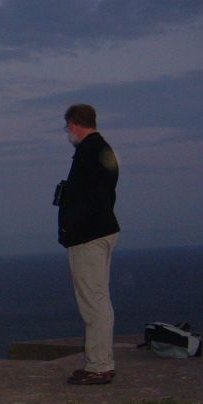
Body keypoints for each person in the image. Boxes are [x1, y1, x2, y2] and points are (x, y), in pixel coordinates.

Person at [57, 104, 120, 385]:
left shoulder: (88, 152)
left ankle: (99, 366)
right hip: (100, 231)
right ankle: (99, 361)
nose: (67, 132)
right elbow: (105, 194)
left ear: (73, 123)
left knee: (93, 301)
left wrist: (73, 227)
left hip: (89, 237)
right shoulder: (101, 150)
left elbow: (85, 198)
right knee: (98, 297)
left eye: (67, 126)